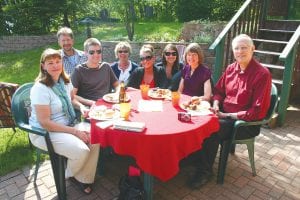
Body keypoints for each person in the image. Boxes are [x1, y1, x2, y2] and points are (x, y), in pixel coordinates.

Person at [187, 34, 272, 189]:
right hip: (223, 114)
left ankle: (205, 171)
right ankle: (195, 157)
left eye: (244, 47)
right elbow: (219, 91)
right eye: (236, 48)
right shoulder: (231, 68)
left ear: (253, 49)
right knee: (195, 119)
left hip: (244, 124)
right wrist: (217, 105)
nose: (240, 51)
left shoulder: (262, 74)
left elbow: (258, 111)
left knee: (210, 129)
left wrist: (226, 115)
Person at [29, 48, 99, 195]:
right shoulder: (40, 88)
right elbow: (45, 122)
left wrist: (82, 107)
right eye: (50, 63)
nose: (55, 65)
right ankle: (67, 175)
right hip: (45, 133)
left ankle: (83, 177)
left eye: (58, 61)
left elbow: (72, 99)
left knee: (96, 138)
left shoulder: (64, 82)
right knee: (81, 151)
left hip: (67, 125)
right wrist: (76, 132)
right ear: (43, 66)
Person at [71, 38, 119, 107]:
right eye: (92, 52)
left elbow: (117, 85)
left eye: (98, 51)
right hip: (90, 107)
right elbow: (72, 96)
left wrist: (117, 94)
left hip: (108, 104)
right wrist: (90, 103)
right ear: (85, 53)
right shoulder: (79, 70)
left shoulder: (106, 66)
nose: (96, 55)